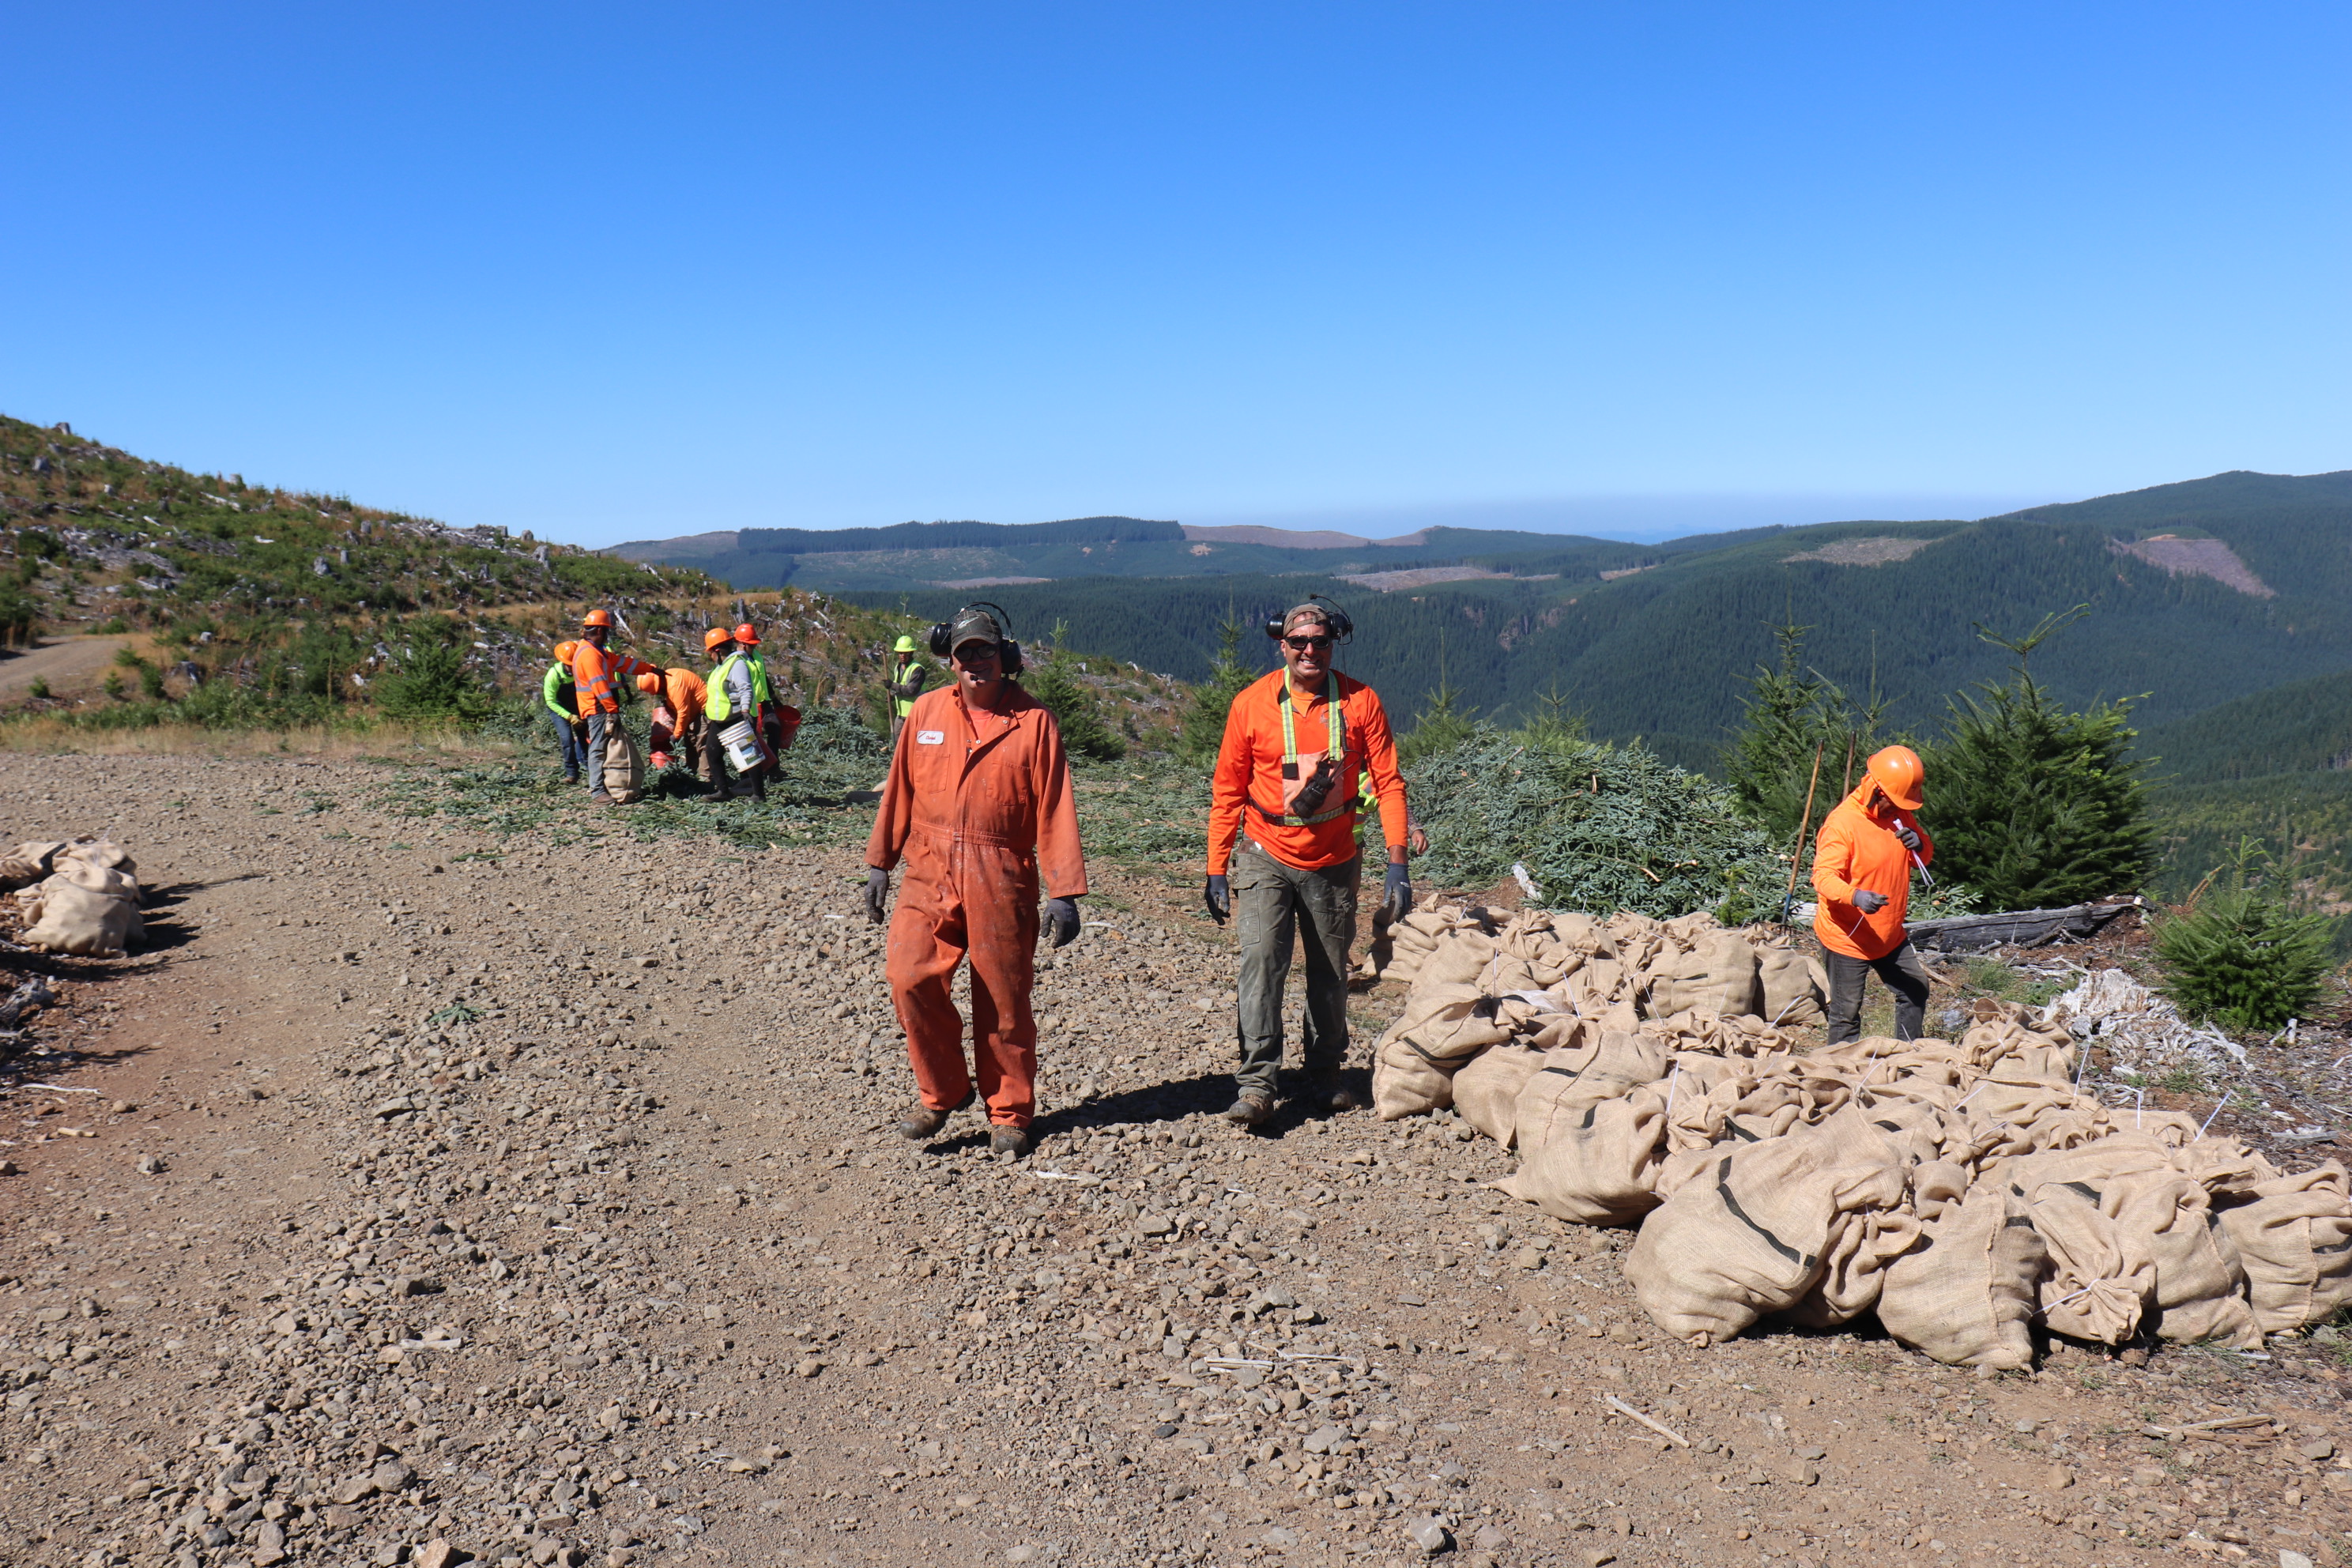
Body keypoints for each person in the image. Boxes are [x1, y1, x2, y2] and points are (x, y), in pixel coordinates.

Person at [865, 605, 1085, 1157]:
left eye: (986, 650)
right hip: (929, 869)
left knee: (1004, 1001)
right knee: (908, 977)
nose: (976, 662)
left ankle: (1009, 1113)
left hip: (1002, 874)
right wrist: (879, 862)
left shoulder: (1034, 722)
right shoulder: (927, 713)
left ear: (1004, 656)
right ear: (951, 659)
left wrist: (1064, 891)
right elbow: (898, 791)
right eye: (965, 653)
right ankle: (943, 1092)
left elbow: (1055, 809)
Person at [1204, 601, 1411, 1127]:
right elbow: (1228, 790)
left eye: (1320, 642)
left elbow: (1388, 782)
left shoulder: (1360, 703)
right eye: (1299, 643)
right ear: (1283, 646)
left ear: (1333, 643)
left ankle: (1324, 1075)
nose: (1310, 652)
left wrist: (1397, 861)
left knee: (1329, 975)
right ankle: (1257, 1085)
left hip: (1334, 860)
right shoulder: (1251, 705)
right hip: (1263, 854)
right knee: (1261, 965)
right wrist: (1215, 867)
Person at [1811, 744, 1936, 1046]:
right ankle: (1839, 1074)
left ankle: (1906, 1058)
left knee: (1914, 990)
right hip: (1848, 937)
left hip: (1890, 934)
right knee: (1846, 1012)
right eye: (1894, 802)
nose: (1899, 809)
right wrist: (1856, 897)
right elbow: (1822, 877)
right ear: (1876, 790)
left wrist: (1919, 843)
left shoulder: (1901, 814)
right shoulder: (1843, 824)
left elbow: (1925, 857)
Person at [701, 628, 768, 801]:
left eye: (710, 652)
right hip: (720, 719)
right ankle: (724, 791)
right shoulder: (720, 667)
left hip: (737, 717)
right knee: (713, 753)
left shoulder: (737, 664)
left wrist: (745, 710)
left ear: (717, 651)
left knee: (748, 756)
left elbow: (745, 688)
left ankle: (759, 794)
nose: (710, 656)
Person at [734, 620, 802, 767]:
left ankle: (773, 765)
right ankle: (754, 770)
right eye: (752, 645)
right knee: (752, 738)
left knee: (775, 728)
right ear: (742, 644)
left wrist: (774, 698)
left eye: (755, 644)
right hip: (749, 705)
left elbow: (763, 677)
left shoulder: (757, 656)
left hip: (764, 701)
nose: (755, 647)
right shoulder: (737, 661)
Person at [636, 665, 710, 780]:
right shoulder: (668, 680)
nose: (658, 694)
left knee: (701, 746)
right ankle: (691, 775)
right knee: (691, 744)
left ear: (659, 683)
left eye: (657, 691)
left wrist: (676, 735)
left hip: (703, 711)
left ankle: (707, 779)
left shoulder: (675, 685)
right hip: (692, 714)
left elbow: (683, 712)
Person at [541, 639, 584, 783]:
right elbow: (550, 701)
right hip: (558, 709)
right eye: (571, 665)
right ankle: (572, 773)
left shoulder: (582, 671)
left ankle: (591, 770)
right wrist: (569, 717)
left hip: (577, 705)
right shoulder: (553, 675)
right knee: (567, 740)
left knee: (585, 738)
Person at [885, 633, 929, 745]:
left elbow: (910, 691)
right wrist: (892, 696)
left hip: (915, 715)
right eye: (900, 653)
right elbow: (900, 688)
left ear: (911, 653)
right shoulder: (898, 668)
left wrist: (892, 685)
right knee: (898, 745)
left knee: (912, 746)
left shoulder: (917, 670)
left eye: (905, 653)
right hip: (901, 716)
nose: (902, 656)